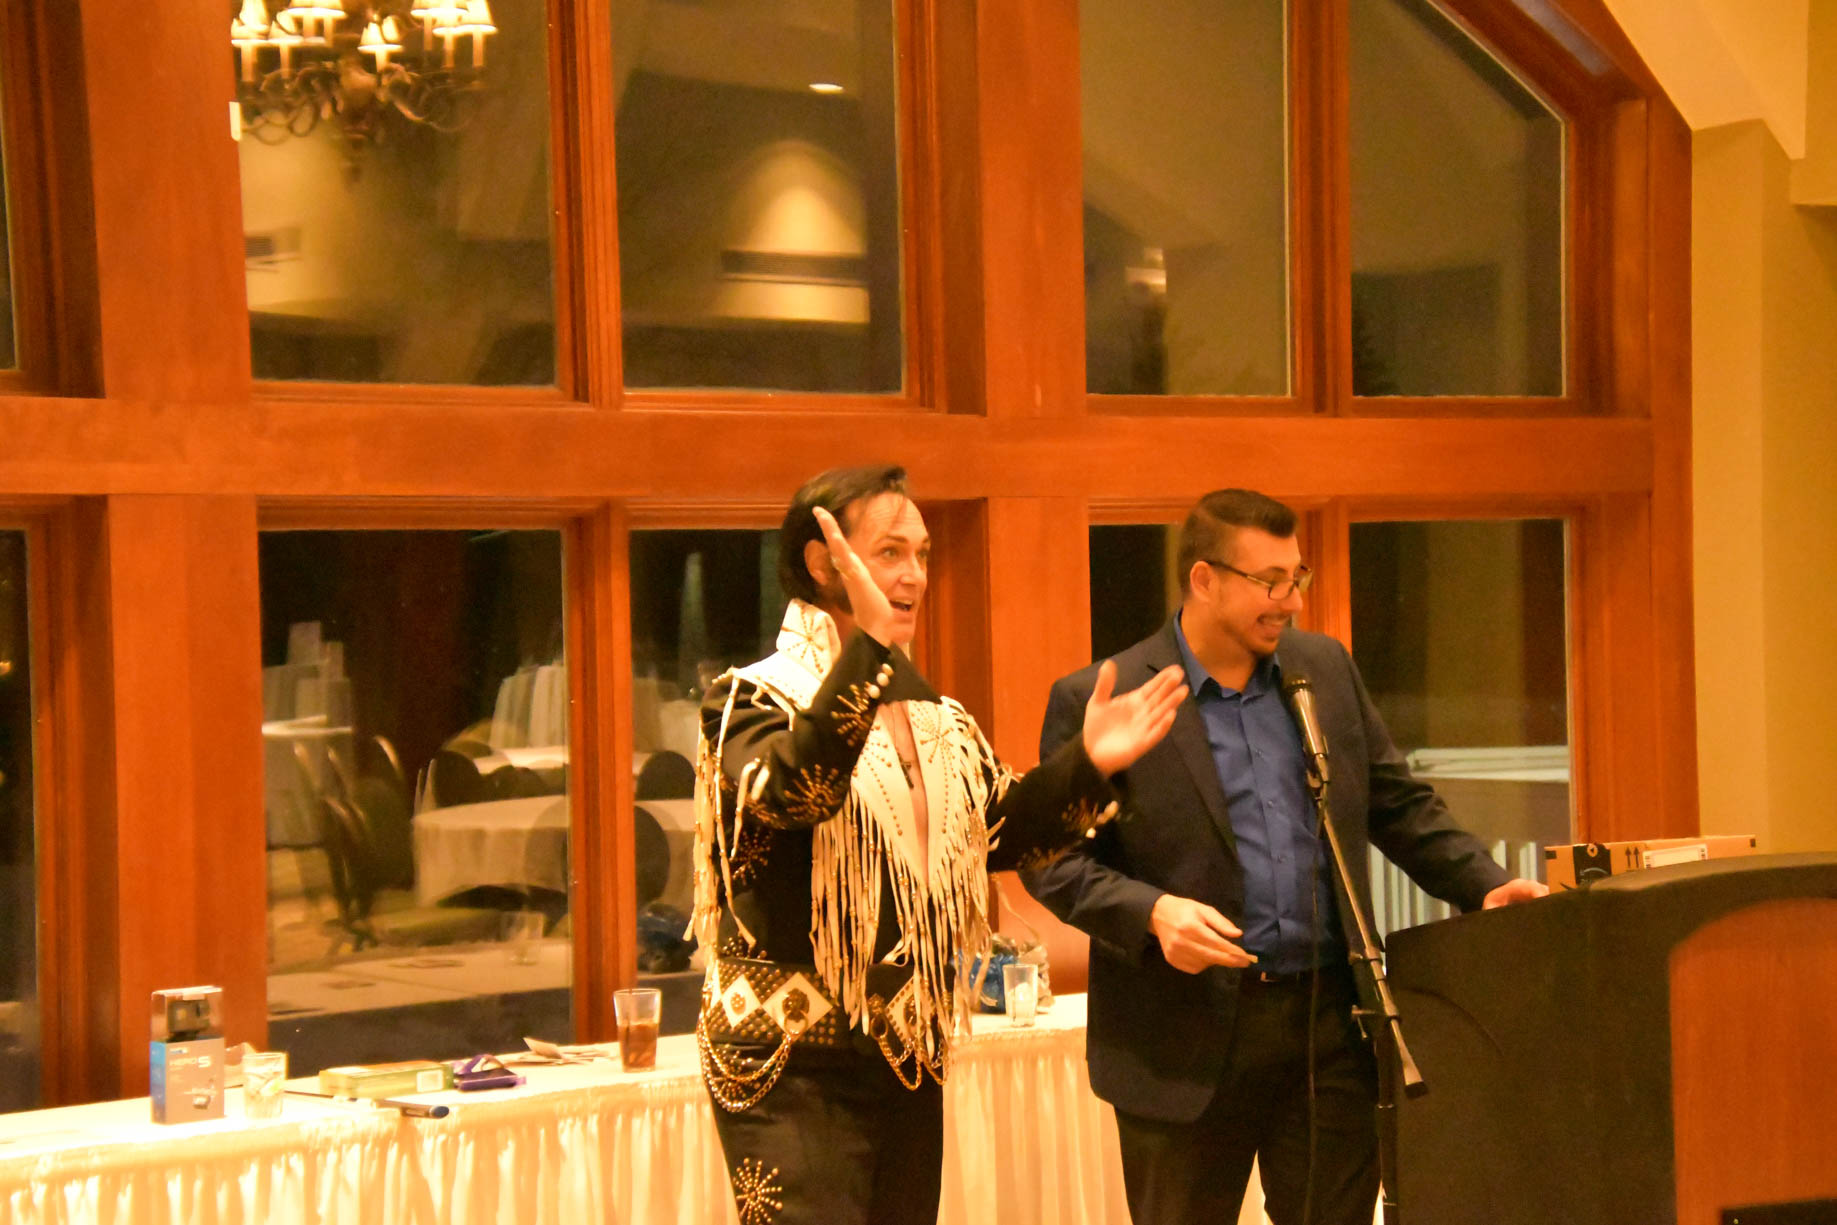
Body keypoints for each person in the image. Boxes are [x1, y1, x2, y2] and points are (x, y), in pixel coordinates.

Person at [1021, 488, 1547, 1225]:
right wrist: (1152, 913)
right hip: (1179, 1040)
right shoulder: (1106, 698)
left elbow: (1396, 803)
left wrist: (1483, 884)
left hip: (1325, 1026)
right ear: (1204, 580)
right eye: (1269, 581)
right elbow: (1050, 860)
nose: (1291, 601)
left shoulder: (1322, 670)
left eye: (1296, 577)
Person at [690, 464, 1186, 1225]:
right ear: (823, 562)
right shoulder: (748, 698)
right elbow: (800, 791)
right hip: (788, 1061)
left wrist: (1089, 763)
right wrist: (870, 651)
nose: (915, 574)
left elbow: (1001, 833)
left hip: (905, 1051)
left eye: (922, 554)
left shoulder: (934, 716)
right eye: (890, 552)